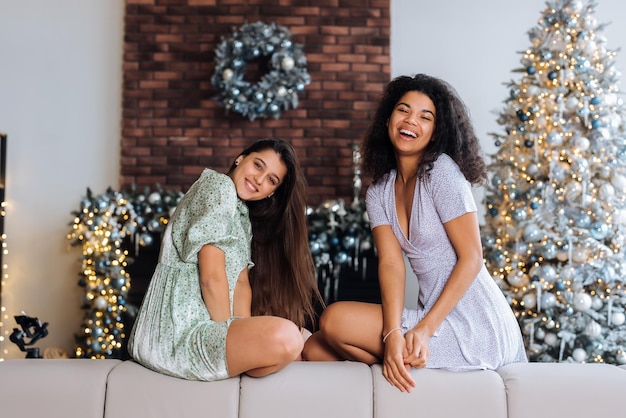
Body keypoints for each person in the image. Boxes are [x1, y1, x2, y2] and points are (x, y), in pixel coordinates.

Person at [302, 74, 527, 391]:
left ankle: (404, 361)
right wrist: (392, 333)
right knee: (314, 350)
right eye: (403, 110)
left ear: (436, 132)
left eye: (426, 116)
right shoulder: (378, 191)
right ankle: (400, 364)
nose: (411, 121)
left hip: (474, 322)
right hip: (428, 317)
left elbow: (472, 258)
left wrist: (424, 330)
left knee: (334, 319)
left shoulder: (441, 171)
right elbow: (392, 265)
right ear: (388, 119)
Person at [128, 138, 322, 381]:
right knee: (290, 337)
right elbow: (211, 277)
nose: (259, 179)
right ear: (240, 158)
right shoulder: (218, 186)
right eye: (258, 165)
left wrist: (245, 337)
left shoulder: (242, 217)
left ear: (273, 192)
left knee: (307, 340)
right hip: (178, 336)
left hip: (208, 330)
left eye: (272, 180)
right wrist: (229, 333)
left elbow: (241, 285)